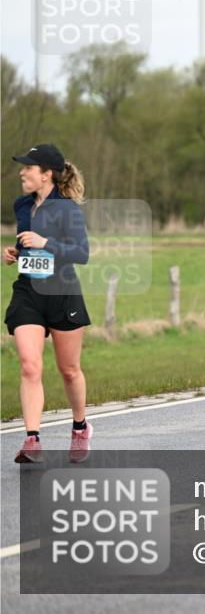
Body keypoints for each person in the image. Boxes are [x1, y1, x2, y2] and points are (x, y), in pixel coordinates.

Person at [4, 144, 92, 463]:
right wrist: (15, 253)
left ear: (46, 174)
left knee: (68, 370)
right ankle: (32, 440)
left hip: (62, 293)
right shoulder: (21, 206)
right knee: (30, 365)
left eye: (29, 167)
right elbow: (26, 245)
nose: (22, 171)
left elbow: (81, 253)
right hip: (28, 291)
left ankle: (80, 428)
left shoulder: (68, 209)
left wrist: (45, 244)